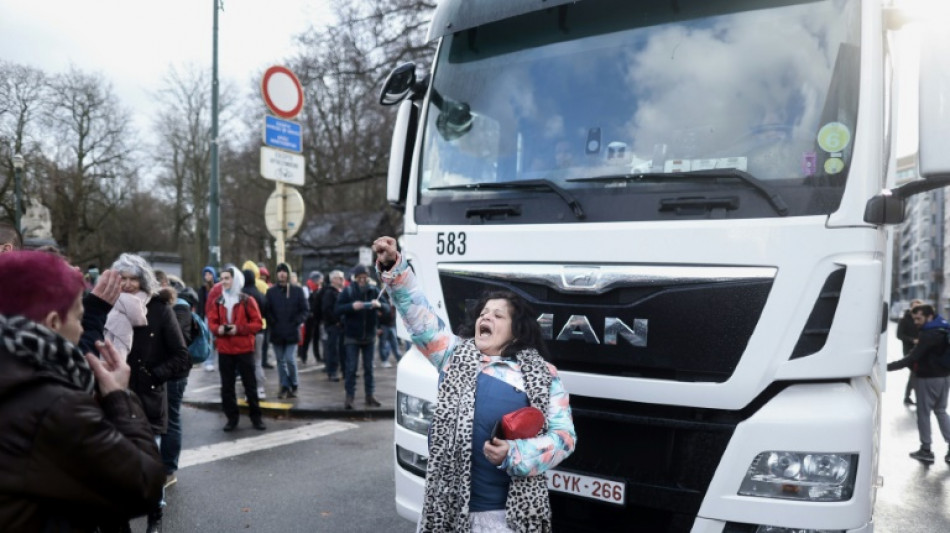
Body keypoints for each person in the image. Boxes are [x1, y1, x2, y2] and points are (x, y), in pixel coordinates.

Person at [372, 236, 576, 532]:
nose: (486, 316)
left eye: (497, 314)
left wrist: (514, 454)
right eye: (483, 313)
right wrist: (394, 266)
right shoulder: (454, 355)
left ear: (517, 330)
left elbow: (564, 438)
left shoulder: (544, 375)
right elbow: (419, 315)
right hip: (447, 512)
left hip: (506, 519)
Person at [0, 250, 165, 531]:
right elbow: (143, 486)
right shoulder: (53, 405)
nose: (81, 331)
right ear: (53, 323)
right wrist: (120, 398)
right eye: (79, 317)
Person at [111, 254, 191, 533]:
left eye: (134, 278)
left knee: (149, 463)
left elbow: (182, 356)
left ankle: (155, 515)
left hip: (148, 397)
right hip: (114, 395)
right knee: (117, 464)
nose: (129, 284)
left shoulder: (159, 309)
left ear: (144, 280)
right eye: (124, 278)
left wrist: (154, 375)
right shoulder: (107, 306)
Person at [887, 303, 950, 464]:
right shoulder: (944, 327)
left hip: (927, 377)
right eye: (914, 318)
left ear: (929, 316)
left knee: (923, 413)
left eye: (918, 318)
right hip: (944, 377)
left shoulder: (929, 334)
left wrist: (886, 367)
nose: (916, 321)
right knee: (941, 411)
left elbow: (913, 357)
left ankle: (926, 449)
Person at [207, 267, 266, 431]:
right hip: (225, 349)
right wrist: (218, 329)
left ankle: (256, 418)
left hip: (244, 349)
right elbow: (212, 322)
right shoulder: (218, 301)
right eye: (222, 278)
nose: (223, 282)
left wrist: (238, 329)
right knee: (227, 387)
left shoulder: (247, 300)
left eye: (227, 278)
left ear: (236, 279)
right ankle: (231, 418)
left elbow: (257, 323)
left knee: (250, 385)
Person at [336, 264, 388, 409]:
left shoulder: (374, 290)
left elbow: (387, 308)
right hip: (351, 336)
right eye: (360, 277)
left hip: (369, 336)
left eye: (365, 277)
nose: (362, 280)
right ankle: (349, 396)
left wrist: (379, 305)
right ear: (355, 277)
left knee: (369, 369)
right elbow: (337, 309)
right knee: (351, 368)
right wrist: (352, 307)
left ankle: (369, 396)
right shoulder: (348, 291)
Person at [264, 262, 309, 399]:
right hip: (277, 331)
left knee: (290, 359)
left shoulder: (297, 291)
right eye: (279, 271)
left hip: (292, 331)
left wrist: (297, 320)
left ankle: (294, 384)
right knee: (280, 361)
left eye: (284, 271)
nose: (282, 274)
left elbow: (305, 310)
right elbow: (267, 310)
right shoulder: (271, 292)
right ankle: (284, 385)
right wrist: (272, 321)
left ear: (288, 274)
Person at [242, 268, 268, 399]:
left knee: (247, 363)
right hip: (260, 331)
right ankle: (260, 389)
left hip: (245, 333)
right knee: (258, 361)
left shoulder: (241, 295)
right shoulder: (259, 294)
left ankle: (249, 391)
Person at [897, 299, 924, 406]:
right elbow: (899, 335)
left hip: (922, 350)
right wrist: (913, 340)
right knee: (915, 372)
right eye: (915, 307)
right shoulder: (904, 319)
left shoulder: (923, 319)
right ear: (911, 307)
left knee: (915, 373)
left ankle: (908, 396)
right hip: (909, 351)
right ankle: (911, 397)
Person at [322, 270, 346, 382]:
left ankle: (344, 371)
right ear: (333, 280)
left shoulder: (341, 292)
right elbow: (326, 310)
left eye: (342, 278)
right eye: (339, 278)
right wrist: (335, 321)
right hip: (334, 326)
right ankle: (332, 372)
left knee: (343, 349)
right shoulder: (329, 293)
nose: (342, 280)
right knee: (333, 350)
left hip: (341, 325)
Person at [301, 270, 324, 364]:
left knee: (316, 338)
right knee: (307, 338)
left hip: (317, 317)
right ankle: (303, 356)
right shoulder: (306, 289)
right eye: (319, 279)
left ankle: (317, 356)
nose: (321, 281)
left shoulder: (319, 289)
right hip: (308, 318)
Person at [197, 266, 218, 371]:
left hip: (217, 317)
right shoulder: (202, 289)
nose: (207, 276)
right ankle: (208, 361)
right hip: (206, 317)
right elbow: (200, 304)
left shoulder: (218, 288)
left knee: (215, 340)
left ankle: (215, 360)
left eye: (209, 274)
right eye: (205, 274)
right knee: (208, 339)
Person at [377, 289, 401, 368]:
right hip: (384, 325)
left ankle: (399, 359)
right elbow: (377, 314)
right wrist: (378, 327)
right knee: (383, 344)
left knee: (395, 343)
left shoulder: (394, 297)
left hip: (392, 324)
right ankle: (384, 360)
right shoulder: (380, 298)